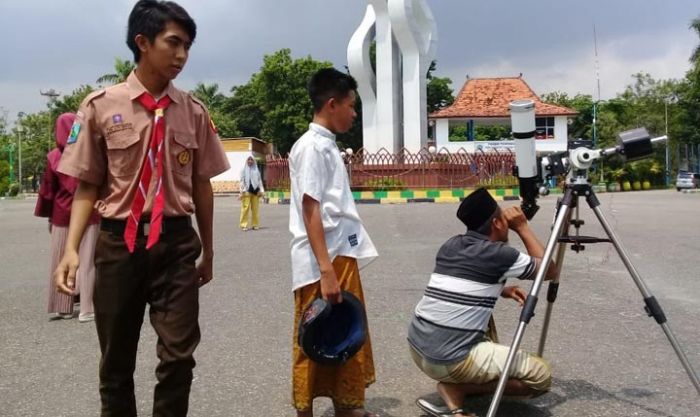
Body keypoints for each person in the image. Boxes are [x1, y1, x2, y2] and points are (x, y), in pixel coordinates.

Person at [52, 1, 230, 416]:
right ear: (142, 42)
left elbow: (201, 183)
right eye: (174, 43)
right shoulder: (100, 106)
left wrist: (209, 247)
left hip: (176, 243)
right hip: (119, 245)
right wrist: (72, 249)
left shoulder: (193, 111)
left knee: (179, 357)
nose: (182, 55)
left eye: (187, 46)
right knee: (115, 363)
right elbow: (87, 183)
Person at [407, 188, 559, 417]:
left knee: (480, 313)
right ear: (498, 223)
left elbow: (458, 284)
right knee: (540, 376)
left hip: (419, 349)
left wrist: (501, 289)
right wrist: (522, 227)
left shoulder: (451, 245)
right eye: (504, 219)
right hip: (450, 360)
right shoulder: (501, 254)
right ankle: (457, 387)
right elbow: (549, 270)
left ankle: (461, 380)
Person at [288, 68, 379, 417]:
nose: (354, 114)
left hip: (340, 251)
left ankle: (347, 405)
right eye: (351, 106)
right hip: (320, 259)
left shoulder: (326, 145)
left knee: (345, 331)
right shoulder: (312, 148)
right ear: (331, 104)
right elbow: (310, 208)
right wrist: (325, 269)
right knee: (313, 335)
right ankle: (305, 410)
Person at [34, 113, 100, 322]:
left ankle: (62, 306)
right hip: (89, 214)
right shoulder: (87, 153)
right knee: (88, 260)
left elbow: (47, 190)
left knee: (60, 258)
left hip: (61, 214)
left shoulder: (53, 156)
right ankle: (87, 308)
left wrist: (48, 216)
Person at [238, 154, 264, 231]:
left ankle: (255, 224)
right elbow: (241, 181)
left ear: (253, 161)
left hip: (255, 191)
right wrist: (242, 190)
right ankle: (243, 225)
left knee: (255, 209)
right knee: (245, 209)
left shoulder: (256, 170)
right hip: (246, 191)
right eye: (248, 159)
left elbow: (259, 181)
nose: (250, 161)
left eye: (251, 159)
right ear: (246, 160)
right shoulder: (243, 169)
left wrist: (261, 191)